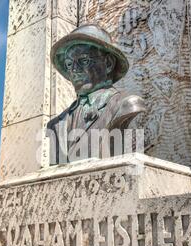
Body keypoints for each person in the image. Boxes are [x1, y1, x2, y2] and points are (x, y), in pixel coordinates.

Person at [47, 24, 146, 165]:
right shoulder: (56, 125)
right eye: (69, 64)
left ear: (108, 63)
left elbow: (133, 169)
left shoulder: (127, 105)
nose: (74, 70)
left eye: (83, 61)